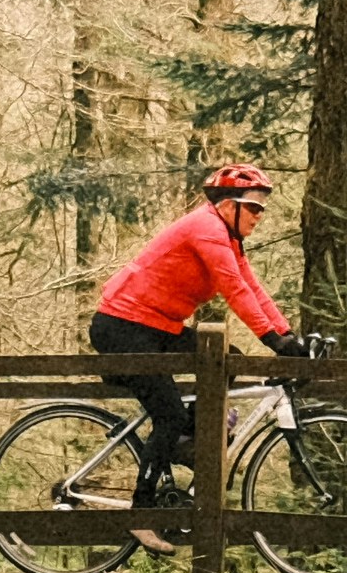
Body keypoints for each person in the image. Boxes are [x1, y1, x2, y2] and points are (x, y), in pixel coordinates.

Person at [88, 161, 290, 504]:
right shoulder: (206, 229)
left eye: (262, 209)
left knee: (228, 360)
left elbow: (253, 289)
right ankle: (143, 509)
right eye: (253, 207)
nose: (259, 216)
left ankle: (190, 441)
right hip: (123, 327)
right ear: (229, 205)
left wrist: (288, 334)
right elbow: (235, 291)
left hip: (155, 327)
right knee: (169, 415)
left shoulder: (229, 239)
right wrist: (273, 341)